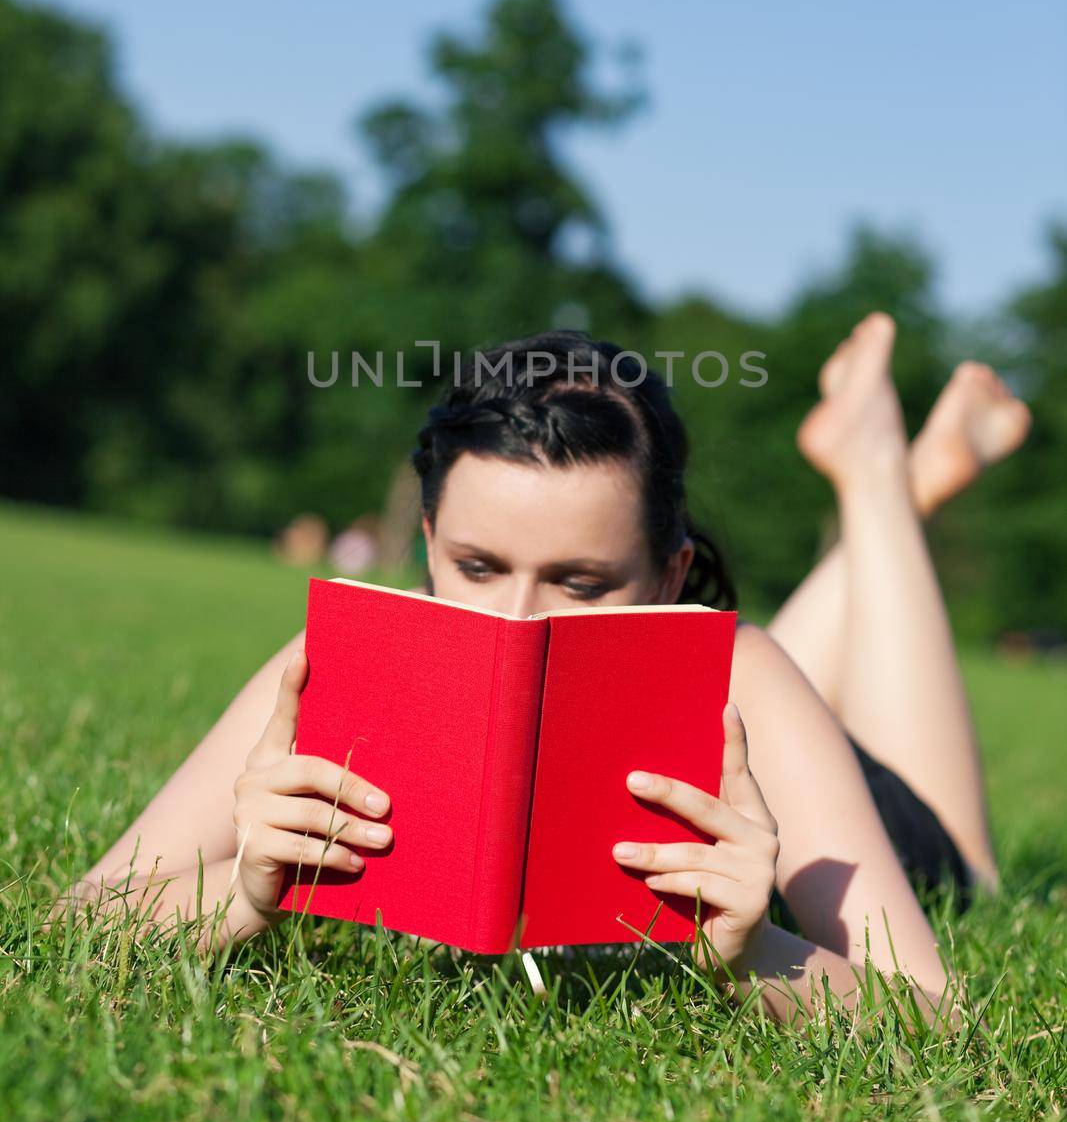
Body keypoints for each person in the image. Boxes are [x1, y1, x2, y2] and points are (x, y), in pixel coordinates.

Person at [57, 318, 1030, 1025]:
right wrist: (239, 891)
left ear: (668, 576)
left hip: (882, 811)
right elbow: (83, 923)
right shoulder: (331, 666)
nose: (519, 621)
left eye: (580, 582)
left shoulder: (745, 668)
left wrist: (750, 951)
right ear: (429, 540)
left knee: (965, 861)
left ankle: (876, 479)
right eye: (477, 568)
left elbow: (931, 1014)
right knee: (750, 661)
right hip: (736, 677)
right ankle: (902, 478)